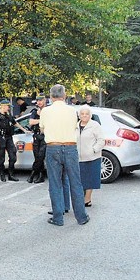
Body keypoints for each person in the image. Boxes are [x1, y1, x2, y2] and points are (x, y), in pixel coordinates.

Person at [39, 84, 90, 226]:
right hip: (70, 147)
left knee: (55, 183)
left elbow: (42, 128)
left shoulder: (45, 111)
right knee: (76, 183)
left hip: (52, 147)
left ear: (50, 96)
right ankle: (81, 217)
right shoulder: (72, 111)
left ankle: (58, 217)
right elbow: (75, 126)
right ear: (64, 95)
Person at [77, 105, 105, 207]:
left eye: (87, 114)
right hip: (78, 157)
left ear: (90, 115)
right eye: (82, 114)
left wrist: (94, 150)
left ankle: (87, 199)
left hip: (92, 157)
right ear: (79, 115)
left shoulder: (95, 125)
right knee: (80, 179)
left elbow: (101, 140)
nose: (84, 116)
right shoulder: (75, 126)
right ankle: (81, 197)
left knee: (90, 179)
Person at [0, 99, 19, 182]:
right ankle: (2, 174)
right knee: (1, 158)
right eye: (8, 106)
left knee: (13, 156)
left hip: (9, 138)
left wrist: (24, 129)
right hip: (1, 138)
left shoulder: (8, 116)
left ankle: (10, 174)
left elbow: (15, 123)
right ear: (3, 106)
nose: (9, 108)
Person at [27, 94, 47, 184]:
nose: (39, 103)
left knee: (40, 156)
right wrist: (41, 120)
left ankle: (32, 174)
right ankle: (41, 176)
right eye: (38, 101)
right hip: (36, 136)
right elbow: (31, 122)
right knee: (37, 156)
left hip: (44, 136)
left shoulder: (48, 111)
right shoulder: (35, 111)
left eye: (40, 101)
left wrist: (38, 120)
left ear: (44, 100)